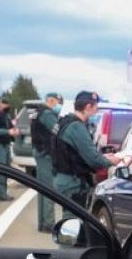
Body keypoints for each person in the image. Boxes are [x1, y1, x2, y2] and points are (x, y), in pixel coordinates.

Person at [51, 90, 119, 219]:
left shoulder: (64, 121)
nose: (96, 111)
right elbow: (93, 159)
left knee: (71, 219)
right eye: (95, 107)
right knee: (74, 223)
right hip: (73, 182)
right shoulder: (77, 127)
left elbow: (78, 152)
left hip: (63, 177)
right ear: (88, 107)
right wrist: (112, 161)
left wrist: (103, 157)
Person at [32, 92, 62, 232]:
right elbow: (58, 130)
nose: (58, 105)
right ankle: (49, 224)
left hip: (40, 152)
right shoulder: (47, 114)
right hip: (45, 154)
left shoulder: (38, 112)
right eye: (57, 102)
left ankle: (43, 223)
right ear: (51, 101)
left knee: (42, 188)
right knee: (49, 189)